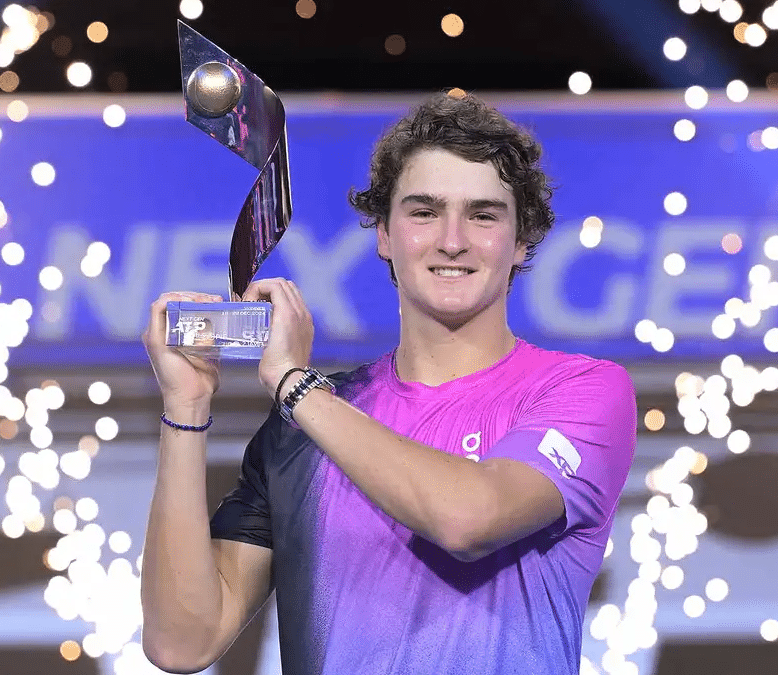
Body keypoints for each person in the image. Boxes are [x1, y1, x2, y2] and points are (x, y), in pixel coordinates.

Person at [140, 92, 637, 674]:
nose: (452, 240)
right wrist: (186, 407)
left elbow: (468, 519)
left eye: (483, 214)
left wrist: (296, 385)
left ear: (521, 240)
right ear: (383, 234)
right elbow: (181, 642)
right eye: (423, 212)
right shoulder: (304, 428)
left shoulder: (581, 391)